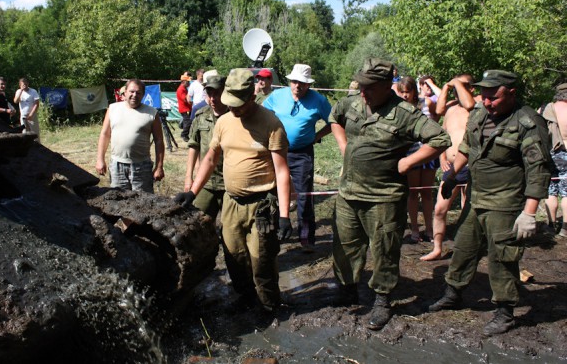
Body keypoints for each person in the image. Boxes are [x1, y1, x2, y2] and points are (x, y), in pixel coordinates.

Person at [429, 70, 552, 336]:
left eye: (493, 98)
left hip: (506, 202)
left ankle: (504, 312)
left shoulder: (529, 122)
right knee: (463, 246)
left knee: (502, 257)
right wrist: (451, 176)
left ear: (511, 93)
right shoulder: (480, 114)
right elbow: (466, 148)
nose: (486, 102)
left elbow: (538, 171)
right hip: (475, 196)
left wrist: (529, 213)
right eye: (483, 96)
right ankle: (453, 293)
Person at [330, 58, 450, 330]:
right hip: (349, 193)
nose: (364, 91)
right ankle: (347, 289)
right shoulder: (352, 103)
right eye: (361, 85)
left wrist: (408, 162)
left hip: (384, 197)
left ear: (387, 85)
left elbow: (440, 139)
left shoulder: (405, 113)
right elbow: (333, 117)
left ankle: (382, 300)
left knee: (384, 250)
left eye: (370, 87)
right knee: (345, 245)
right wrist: (343, 145)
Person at [174, 68, 291, 313]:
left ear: (252, 97)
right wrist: (193, 191)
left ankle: (269, 306)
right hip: (231, 202)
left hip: (262, 204)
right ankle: (246, 298)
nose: (234, 108)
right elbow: (210, 158)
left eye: (239, 103)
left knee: (262, 261)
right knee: (234, 256)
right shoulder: (224, 122)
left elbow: (281, 171)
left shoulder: (271, 124)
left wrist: (284, 216)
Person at [263, 63, 332, 250]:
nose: (297, 86)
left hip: (302, 153)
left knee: (303, 195)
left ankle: (306, 238)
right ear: (290, 81)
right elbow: (262, 113)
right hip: (276, 151)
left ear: (308, 84)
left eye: (302, 82)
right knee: (272, 191)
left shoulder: (319, 101)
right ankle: (274, 232)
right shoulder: (277, 96)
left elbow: (334, 121)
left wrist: (316, 136)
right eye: (294, 81)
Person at [421, 74, 478, 261]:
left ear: (472, 88)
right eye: (455, 87)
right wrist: (443, 156)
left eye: (461, 86)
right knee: (440, 209)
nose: (456, 89)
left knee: (469, 210)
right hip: (452, 167)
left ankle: (469, 248)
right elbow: (442, 129)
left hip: (473, 164)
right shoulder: (451, 107)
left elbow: (469, 104)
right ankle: (437, 248)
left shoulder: (478, 104)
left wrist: (457, 84)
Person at [95, 79, 165, 193]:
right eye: (131, 91)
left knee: (143, 202)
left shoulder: (152, 113)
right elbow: (105, 134)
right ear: (125, 92)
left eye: (138, 92)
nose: (134, 95)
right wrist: (100, 159)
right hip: (117, 165)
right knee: (118, 201)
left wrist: (159, 166)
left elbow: (159, 141)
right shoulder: (113, 109)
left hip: (141, 166)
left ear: (143, 94)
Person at [395, 76, 437, 244]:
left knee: (426, 192)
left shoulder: (427, 103)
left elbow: (437, 118)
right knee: (412, 193)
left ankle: (429, 228)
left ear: (414, 90)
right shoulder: (398, 107)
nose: (405, 95)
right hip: (410, 154)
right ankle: (414, 228)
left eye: (408, 91)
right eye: (402, 92)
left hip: (428, 152)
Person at [184, 72, 229, 220]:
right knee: (199, 221)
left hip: (230, 183)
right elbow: (193, 146)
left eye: (217, 93)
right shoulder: (201, 115)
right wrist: (188, 177)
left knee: (230, 229)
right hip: (206, 181)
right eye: (209, 94)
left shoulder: (234, 116)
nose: (213, 98)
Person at [541, 82, 567, 238]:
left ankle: (551, 225)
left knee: (551, 190)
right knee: (566, 193)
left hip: (550, 153)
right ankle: (565, 228)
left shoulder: (545, 109)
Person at [177, 72, 193, 142]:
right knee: (188, 122)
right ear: (183, 82)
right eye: (188, 82)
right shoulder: (181, 89)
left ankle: (185, 133)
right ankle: (184, 135)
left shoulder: (184, 88)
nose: (189, 83)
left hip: (187, 108)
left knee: (188, 121)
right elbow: (185, 99)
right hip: (184, 109)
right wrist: (192, 101)